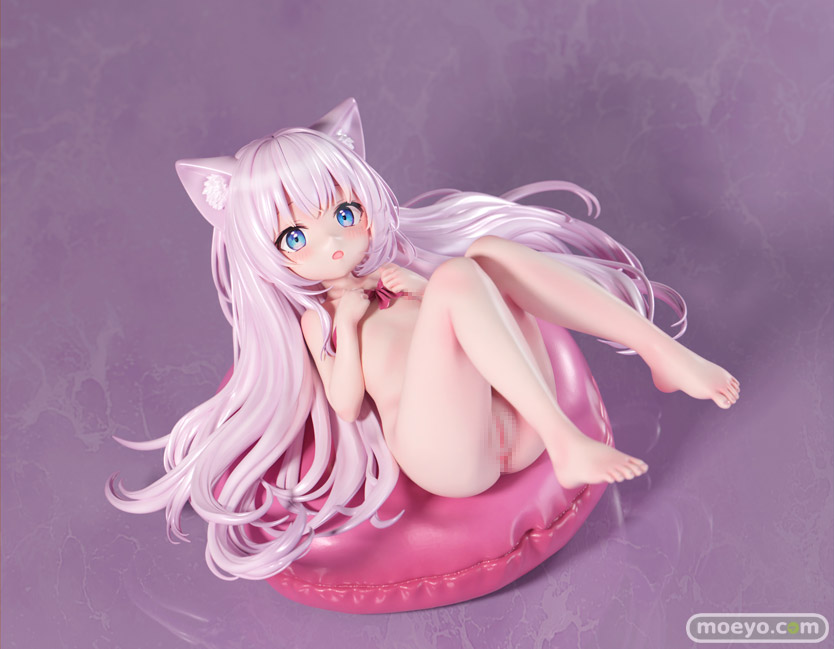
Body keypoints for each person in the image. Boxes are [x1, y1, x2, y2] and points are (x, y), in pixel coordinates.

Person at [107, 98, 739, 580]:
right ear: (268, 256)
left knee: (488, 252)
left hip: (506, 419)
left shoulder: (400, 271)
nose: (333, 242)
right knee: (463, 274)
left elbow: (472, 324)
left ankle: (660, 350)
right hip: (449, 460)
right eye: (295, 238)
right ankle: (566, 439)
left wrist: (420, 287)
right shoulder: (319, 320)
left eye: (345, 214)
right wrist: (348, 324)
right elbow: (347, 403)